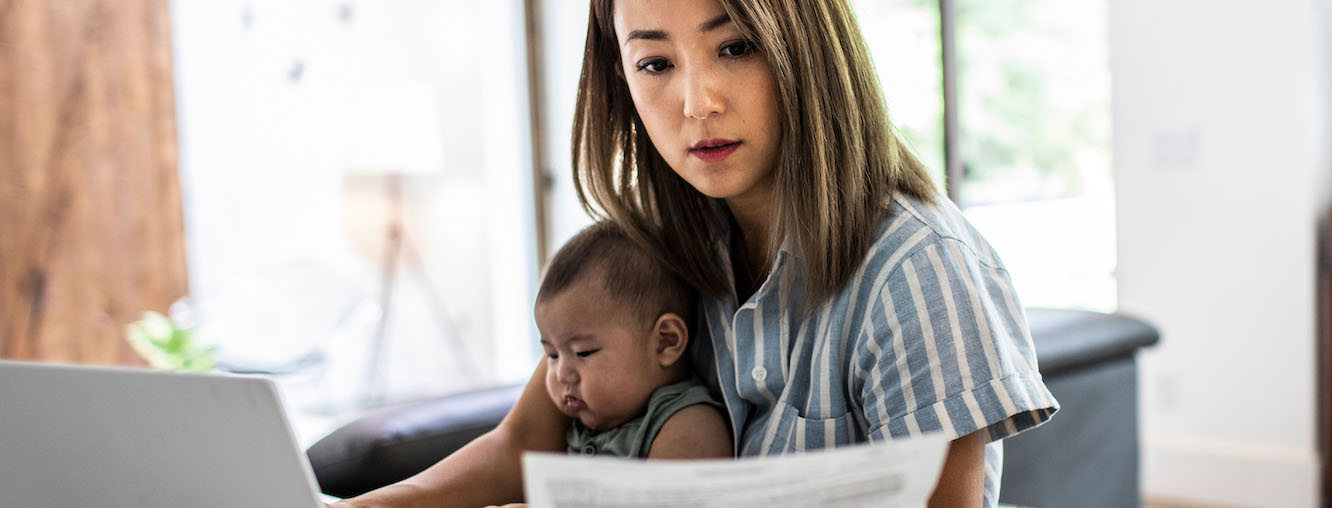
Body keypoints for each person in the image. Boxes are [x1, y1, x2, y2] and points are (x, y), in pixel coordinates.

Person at [337, 0, 1056, 506]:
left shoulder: (920, 272)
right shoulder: (651, 251)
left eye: (735, 47)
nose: (696, 101)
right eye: (654, 62)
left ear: (805, 50)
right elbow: (522, 444)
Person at [533, 221, 731, 459]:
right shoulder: (582, 421)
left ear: (666, 342)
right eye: (552, 354)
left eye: (584, 352)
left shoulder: (688, 425)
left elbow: (666, 498)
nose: (562, 375)